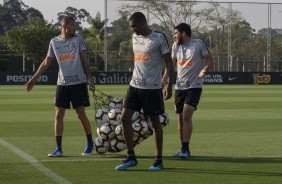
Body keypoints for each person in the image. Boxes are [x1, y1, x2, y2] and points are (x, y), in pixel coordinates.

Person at [25, 16, 95, 157]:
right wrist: (34, 78)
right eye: (73, 25)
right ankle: (58, 148)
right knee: (58, 114)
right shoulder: (54, 42)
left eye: (75, 25)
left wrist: (89, 77)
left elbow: (85, 61)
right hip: (62, 83)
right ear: (65, 26)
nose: (75, 27)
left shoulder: (78, 39)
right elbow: (46, 62)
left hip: (78, 83)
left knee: (80, 114)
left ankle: (89, 143)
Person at [115, 12, 173, 171]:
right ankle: (131, 157)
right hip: (134, 86)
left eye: (134, 26)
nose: (132, 29)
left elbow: (169, 63)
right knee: (125, 118)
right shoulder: (135, 37)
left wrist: (168, 85)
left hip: (152, 88)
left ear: (142, 23)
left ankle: (158, 160)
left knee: (155, 123)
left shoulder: (159, 38)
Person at [163, 23, 214, 158]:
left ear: (184, 33)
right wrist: (164, 82)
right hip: (179, 88)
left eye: (175, 33)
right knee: (180, 118)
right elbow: (170, 66)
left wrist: (204, 69)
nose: (174, 36)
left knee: (186, 115)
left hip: (194, 86)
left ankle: (185, 149)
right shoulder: (175, 46)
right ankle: (184, 149)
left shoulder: (198, 44)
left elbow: (209, 60)